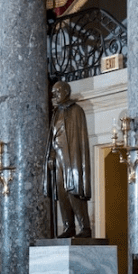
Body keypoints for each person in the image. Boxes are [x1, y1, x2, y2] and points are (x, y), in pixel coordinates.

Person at [46, 81, 92, 238]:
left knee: (74, 191)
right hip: (58, 158)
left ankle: (85, 227)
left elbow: (79, 140)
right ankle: (68, 226)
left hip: (72, 158)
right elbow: (52, 138)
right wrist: (51, 155)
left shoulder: (76, 111)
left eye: (57, 92)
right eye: (53, 93)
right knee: (62, 193)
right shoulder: (56, 113)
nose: (55, 96)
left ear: (66, 91)